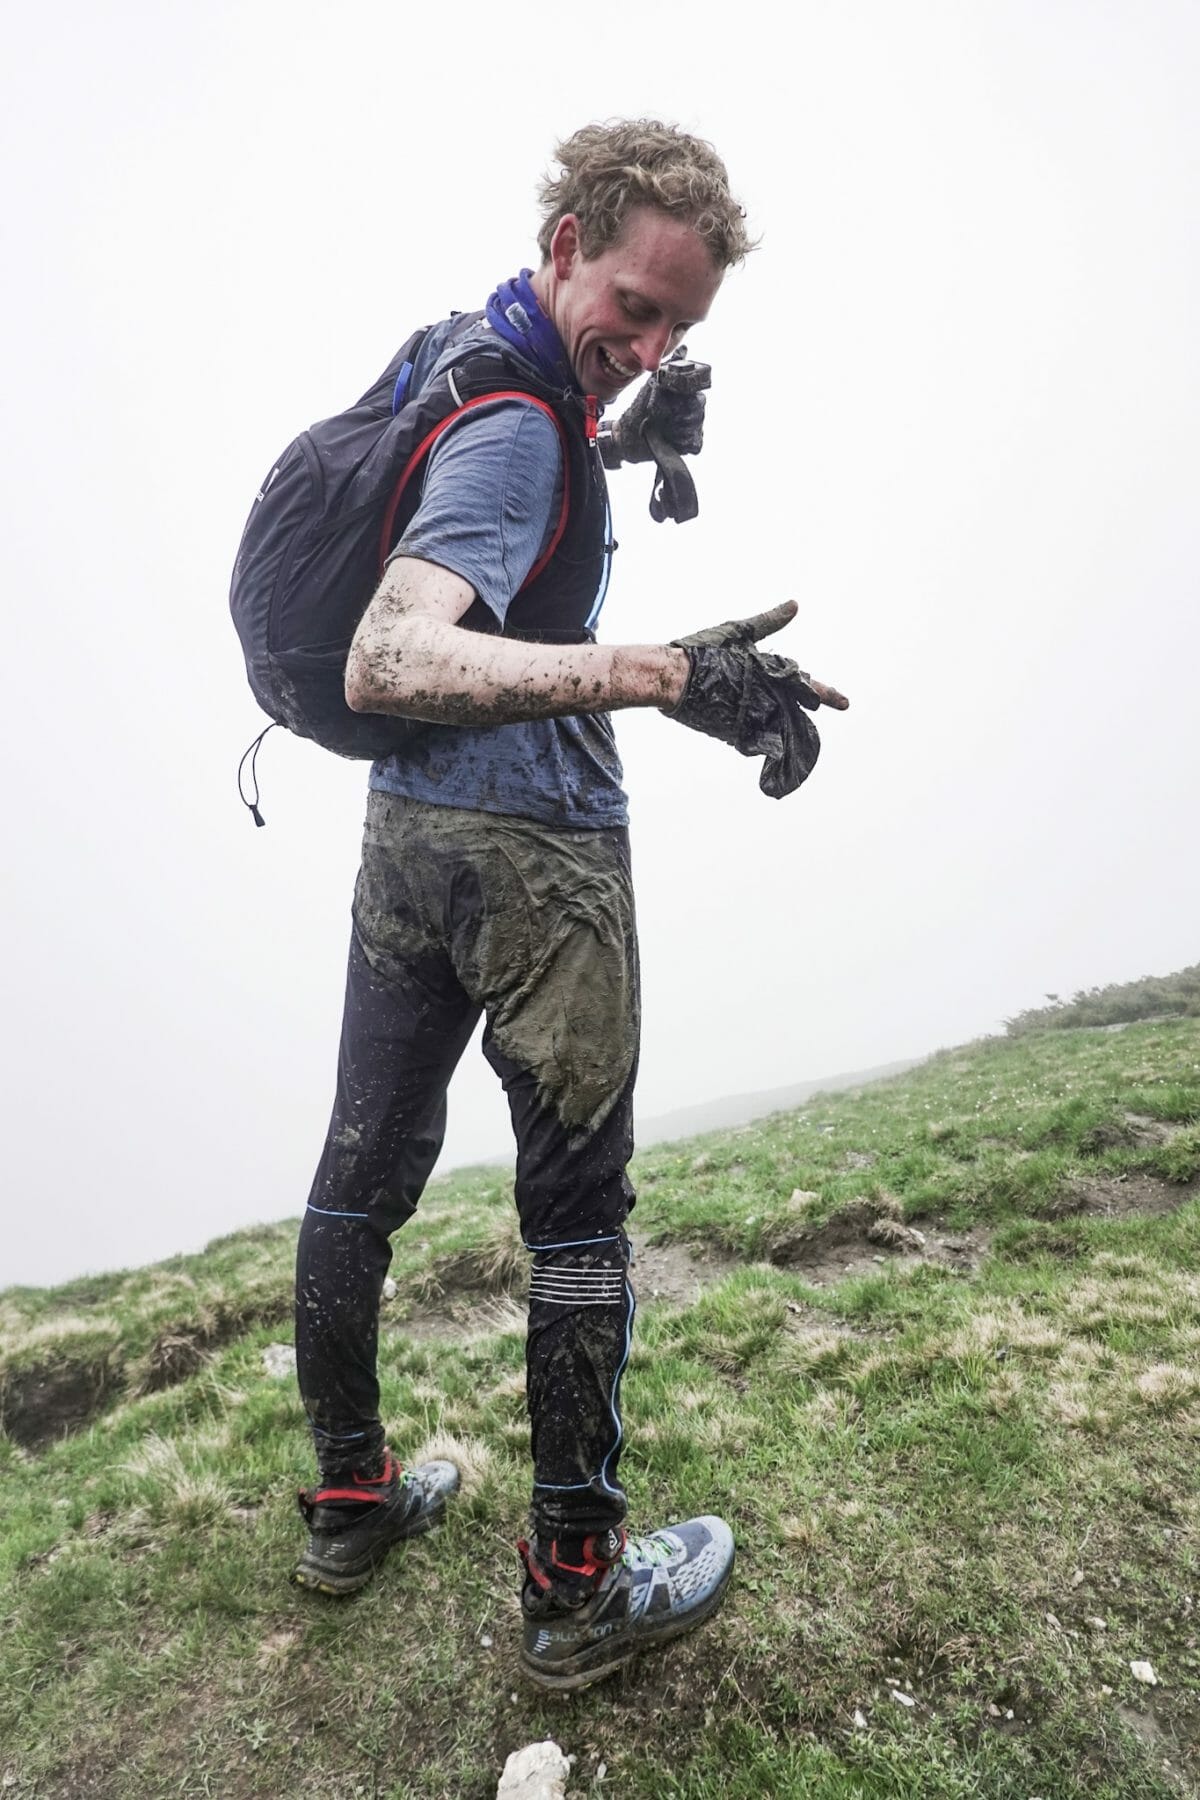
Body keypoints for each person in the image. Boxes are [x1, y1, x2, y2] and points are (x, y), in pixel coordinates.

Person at [291, 118, 848, 1692]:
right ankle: (580, 1588)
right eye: (636, 304)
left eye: (682, 328)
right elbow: (387, 655)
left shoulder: (466, 358)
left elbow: (491, 492)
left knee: (362, 1171)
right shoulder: (519, 430)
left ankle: (347, 1501)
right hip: (536, 861)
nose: (649, 340)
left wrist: (625, 430)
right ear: (566, 245)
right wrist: (675, 673)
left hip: (407, 847)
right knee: (580, 1220)